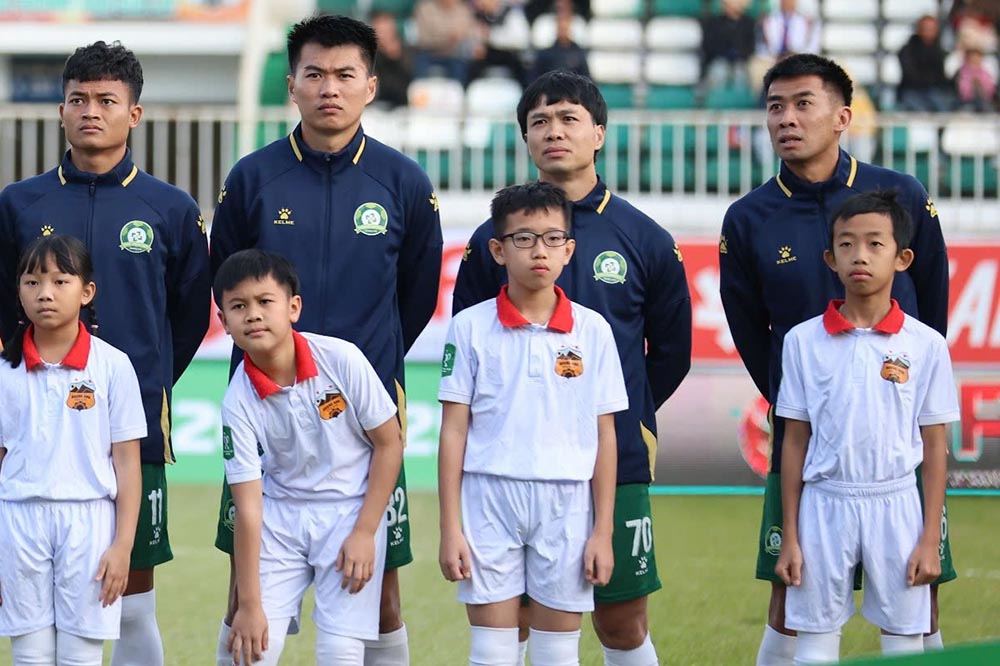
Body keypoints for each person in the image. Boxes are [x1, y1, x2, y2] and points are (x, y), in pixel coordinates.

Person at [209, 14, 443, 666]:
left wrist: (360, 365)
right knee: (246, 593)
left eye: (345, 74)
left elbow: (416, 296)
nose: (329, 88)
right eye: (314, 74)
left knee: (380, 590)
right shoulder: (253, 179)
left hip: (366, 415)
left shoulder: (403, 183)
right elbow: (225, 277)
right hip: (267, 400)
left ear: (371, 85)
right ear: (292, 85)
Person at [718, 53, 953, 666]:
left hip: (896, 447)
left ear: (842, 116)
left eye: (802, 104)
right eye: (775, 107)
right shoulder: (747, 218)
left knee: (918, 600)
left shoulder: (901, 194)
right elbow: (749, 329)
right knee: (790, 595)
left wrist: (898, 395)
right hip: (806, 436)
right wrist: (793, 404)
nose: (786, 119)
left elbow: (931, 306)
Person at [453, 70, 692, 666]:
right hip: (511, 465)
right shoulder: (493, 237)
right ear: (526, 139)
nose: (553, 132)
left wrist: (608, 413)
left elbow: (671, 353)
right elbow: (474, 341)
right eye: (538, 122)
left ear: (598, 133)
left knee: (620, 619)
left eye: (568, 119)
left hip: (614, 454)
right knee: (520, 621)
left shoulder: (644, 238)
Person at [0, 41, 212, 666]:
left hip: (132, 424)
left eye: (106, 100)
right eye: (78, 99)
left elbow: (188, 316)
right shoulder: (17, 203)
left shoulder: (170, 208)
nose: (91, 111)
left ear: (134, 114)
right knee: (36, 605)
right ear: (61, 111)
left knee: (130, 594)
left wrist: (137, 384)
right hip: (36, 423)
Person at [439, 182, 624, 666]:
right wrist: (450, 528)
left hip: (566, 501)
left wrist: (601, 531)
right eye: (523, 239)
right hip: (488, 498)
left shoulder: (594, 330)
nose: (538, 250)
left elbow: (605, 436)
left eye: (551, 238)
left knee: (557, 653)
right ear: (498, 250)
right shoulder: (470, 326)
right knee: (492, 650)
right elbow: (454, 430)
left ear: (570, 249)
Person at [774, 190, 958, 663]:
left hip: (897, 503)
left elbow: (935, 447)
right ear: (829, 257)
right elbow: (795, 441)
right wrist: (790, 536)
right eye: (847, 244)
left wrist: (928, 540)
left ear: (903, 258)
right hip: (824, 503)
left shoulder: (926, 345)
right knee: (813, 642)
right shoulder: (801, 341)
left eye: (876, 244)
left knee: (903, 643)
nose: (860, 255)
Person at [215, 249, 403, 666]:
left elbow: (389, 443)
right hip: (280, 520)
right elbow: (248, 509)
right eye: (238, 306)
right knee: (250, 650)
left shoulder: (341, 358)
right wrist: (249, 604)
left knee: (340, 652)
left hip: (351, 513)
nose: (253, 315)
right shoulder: (236, 402)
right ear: (224, 322)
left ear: (293, 307)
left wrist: (364, 532)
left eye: (265, 301)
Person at [0, 235, 144, 666]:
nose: (44, 293)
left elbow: (127, 464)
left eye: (60, 281)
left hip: (89, 522)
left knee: (81, 652)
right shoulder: (5, 371)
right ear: (18, 290)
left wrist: (122, 546)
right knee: (29, 651)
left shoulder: (113, 365)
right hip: (18, 520)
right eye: (31, 282)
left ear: (86, 292)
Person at [897, 15, 953, 113]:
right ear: (919, 29)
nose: (929, 31)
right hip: (913, 91)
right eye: (926, 28)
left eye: (932, 28)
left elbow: (943, 76)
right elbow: (910, 74)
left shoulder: (939, 50)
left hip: (935, 91)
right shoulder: (908, 50)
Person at [371, 11, 413, 109]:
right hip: (380, 104)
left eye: (386, 30)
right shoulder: (372, 54)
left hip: (405, 103)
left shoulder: (407, 50)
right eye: (380, 30)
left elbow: (410, 76)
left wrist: (394, 55)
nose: (383, 34)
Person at [955, 48, 997, 112]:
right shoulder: (962, 72)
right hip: (967, 103)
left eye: (977, 58)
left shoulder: (984, 72)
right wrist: (972, 84)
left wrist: (980, 84)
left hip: (984, 103)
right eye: (972, 58)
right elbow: (962, 92)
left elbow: (991, 90)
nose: (975, 60)